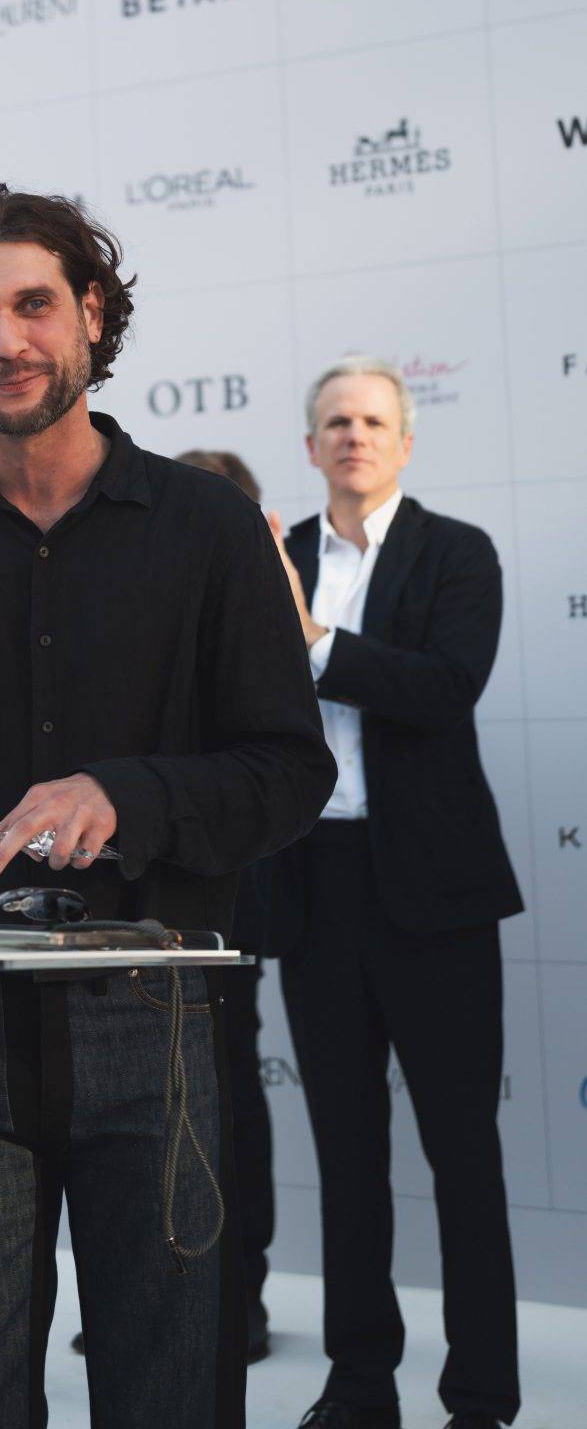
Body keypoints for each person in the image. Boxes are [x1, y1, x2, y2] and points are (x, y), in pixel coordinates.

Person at [0, 183, 335, 1429]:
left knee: (169, 1383)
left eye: (34, 302)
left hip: (150, 1004)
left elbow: (288, 770)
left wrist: (124, 793)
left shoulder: (204, 526)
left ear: (91, 311)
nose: (6, 340)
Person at [263, 356, 522, 1429]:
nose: (354, 434)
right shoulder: (274, 559)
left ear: (404, 441)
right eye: (335, 419)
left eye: (373, 418)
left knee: (462, 1147)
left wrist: (315, 641)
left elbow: (442, 689)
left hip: (436, 892)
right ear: (311, 444)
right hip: (315, 883)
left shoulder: (456, 551)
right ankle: (358, 1382)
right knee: (345, 1153)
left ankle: (480, 1394)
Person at [176, 451, 275, 1368]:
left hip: (243, 898)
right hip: (167, 908)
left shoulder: (259, 597)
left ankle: (238, 1295)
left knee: (232, 1103)